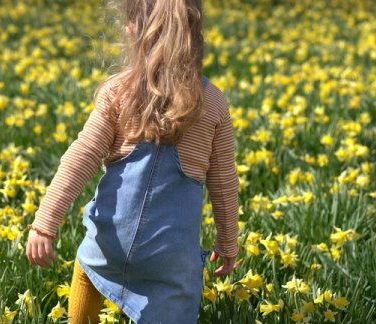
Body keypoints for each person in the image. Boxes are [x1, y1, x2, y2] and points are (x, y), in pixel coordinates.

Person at [25, 0, 239, 323]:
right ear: (195, 34)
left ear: (133, 31)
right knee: (175, 298)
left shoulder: (119, 92)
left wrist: (45, 223)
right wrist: (227, 241)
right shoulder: (214, 103)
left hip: (113, 241)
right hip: (170, 255)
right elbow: (225, 185)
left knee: (87, 266)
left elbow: (80, 157)